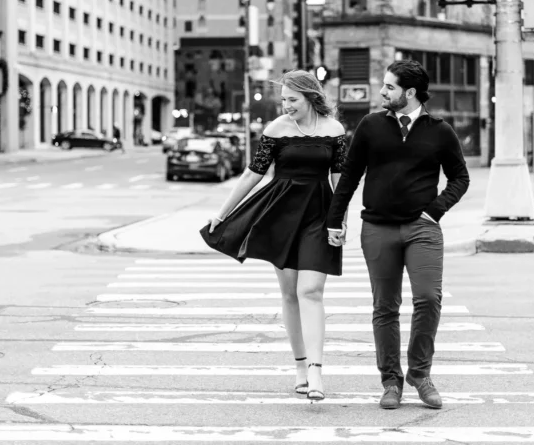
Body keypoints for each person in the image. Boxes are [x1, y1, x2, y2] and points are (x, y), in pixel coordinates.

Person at [326, 59, 469, 411]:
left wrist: (433, 211)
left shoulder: (440, 130)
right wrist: (335, 219)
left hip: (422, 228)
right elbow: (349, 176)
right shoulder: (371, 125)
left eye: (389, 87)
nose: (382, 92)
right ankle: (391, 380)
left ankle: (420, 374)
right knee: (385, 307)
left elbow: (460, 178)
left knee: (428, 299)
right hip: (377, 227)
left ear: (409, 92)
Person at [200, 70, 347, 403]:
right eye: (283, 100)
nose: (286, 106)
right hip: (281, 215)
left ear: (311, 96)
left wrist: (341, 222)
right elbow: (252, 174)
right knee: (291, 293)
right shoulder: (276, 129)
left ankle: (316, 370)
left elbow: (340, 181)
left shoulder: (334, 130)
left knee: (311, 289)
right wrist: (221, 213)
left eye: (292, 100)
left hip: (319, 215)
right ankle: (299, 366)